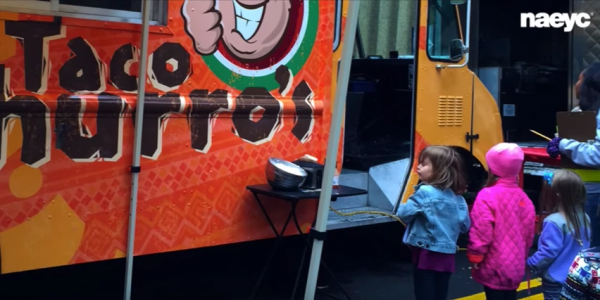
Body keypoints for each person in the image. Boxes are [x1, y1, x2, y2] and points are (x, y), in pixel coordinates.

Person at [397, 145, 471, 300]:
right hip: (447, 256)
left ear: (439, 171)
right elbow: (465, 226)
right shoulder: (459, 199)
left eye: (423, 164)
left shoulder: (424, 192)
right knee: (440, 293)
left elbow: (403, 215)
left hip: (426, 254)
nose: (418, 167)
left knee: (424, 292)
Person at [467, 143, 536, 300]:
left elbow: (481, 231)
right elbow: (529, 235)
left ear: (493, 169)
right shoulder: (525, 199)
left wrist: (475, 256)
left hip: (494, 266)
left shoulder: (487, 195)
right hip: (515, 266)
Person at [547, 62, 600, 247]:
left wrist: (563, 144)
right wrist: (558, 141)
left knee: (588, 246)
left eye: (579, 79)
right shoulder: (582, 113)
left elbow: (597, 155)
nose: (576, 84)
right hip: (578, 188)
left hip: (593, 193)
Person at [527, 170, 592, 300]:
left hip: (556, 280)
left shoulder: (553, 221)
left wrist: (530, 263)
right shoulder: (585, 217)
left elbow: (548, 252)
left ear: (555, 196)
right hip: (579, 278)